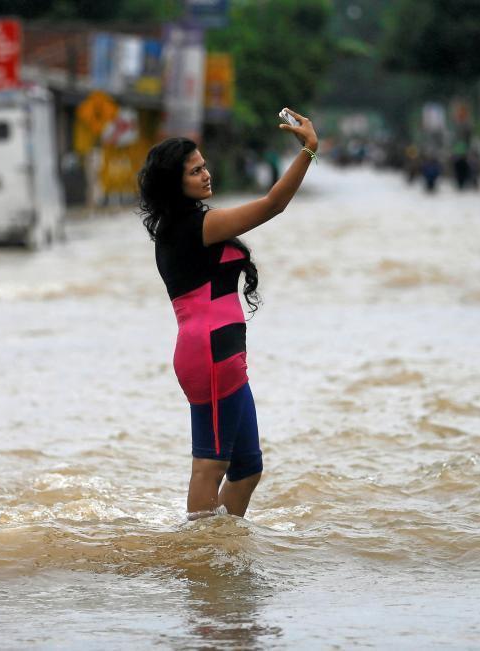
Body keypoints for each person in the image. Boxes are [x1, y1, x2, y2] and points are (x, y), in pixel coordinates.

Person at [138, 108, 319, 520]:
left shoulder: (188, 225)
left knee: (248, 469)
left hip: (224, 354)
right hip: (211, 354)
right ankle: (200, 563)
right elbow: (274, 204)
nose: (205, 175)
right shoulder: (194, 227)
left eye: (204, 167)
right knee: (210, 467)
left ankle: (222, 553)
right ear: (174, 184)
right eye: (194, 172)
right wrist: (309, 150)